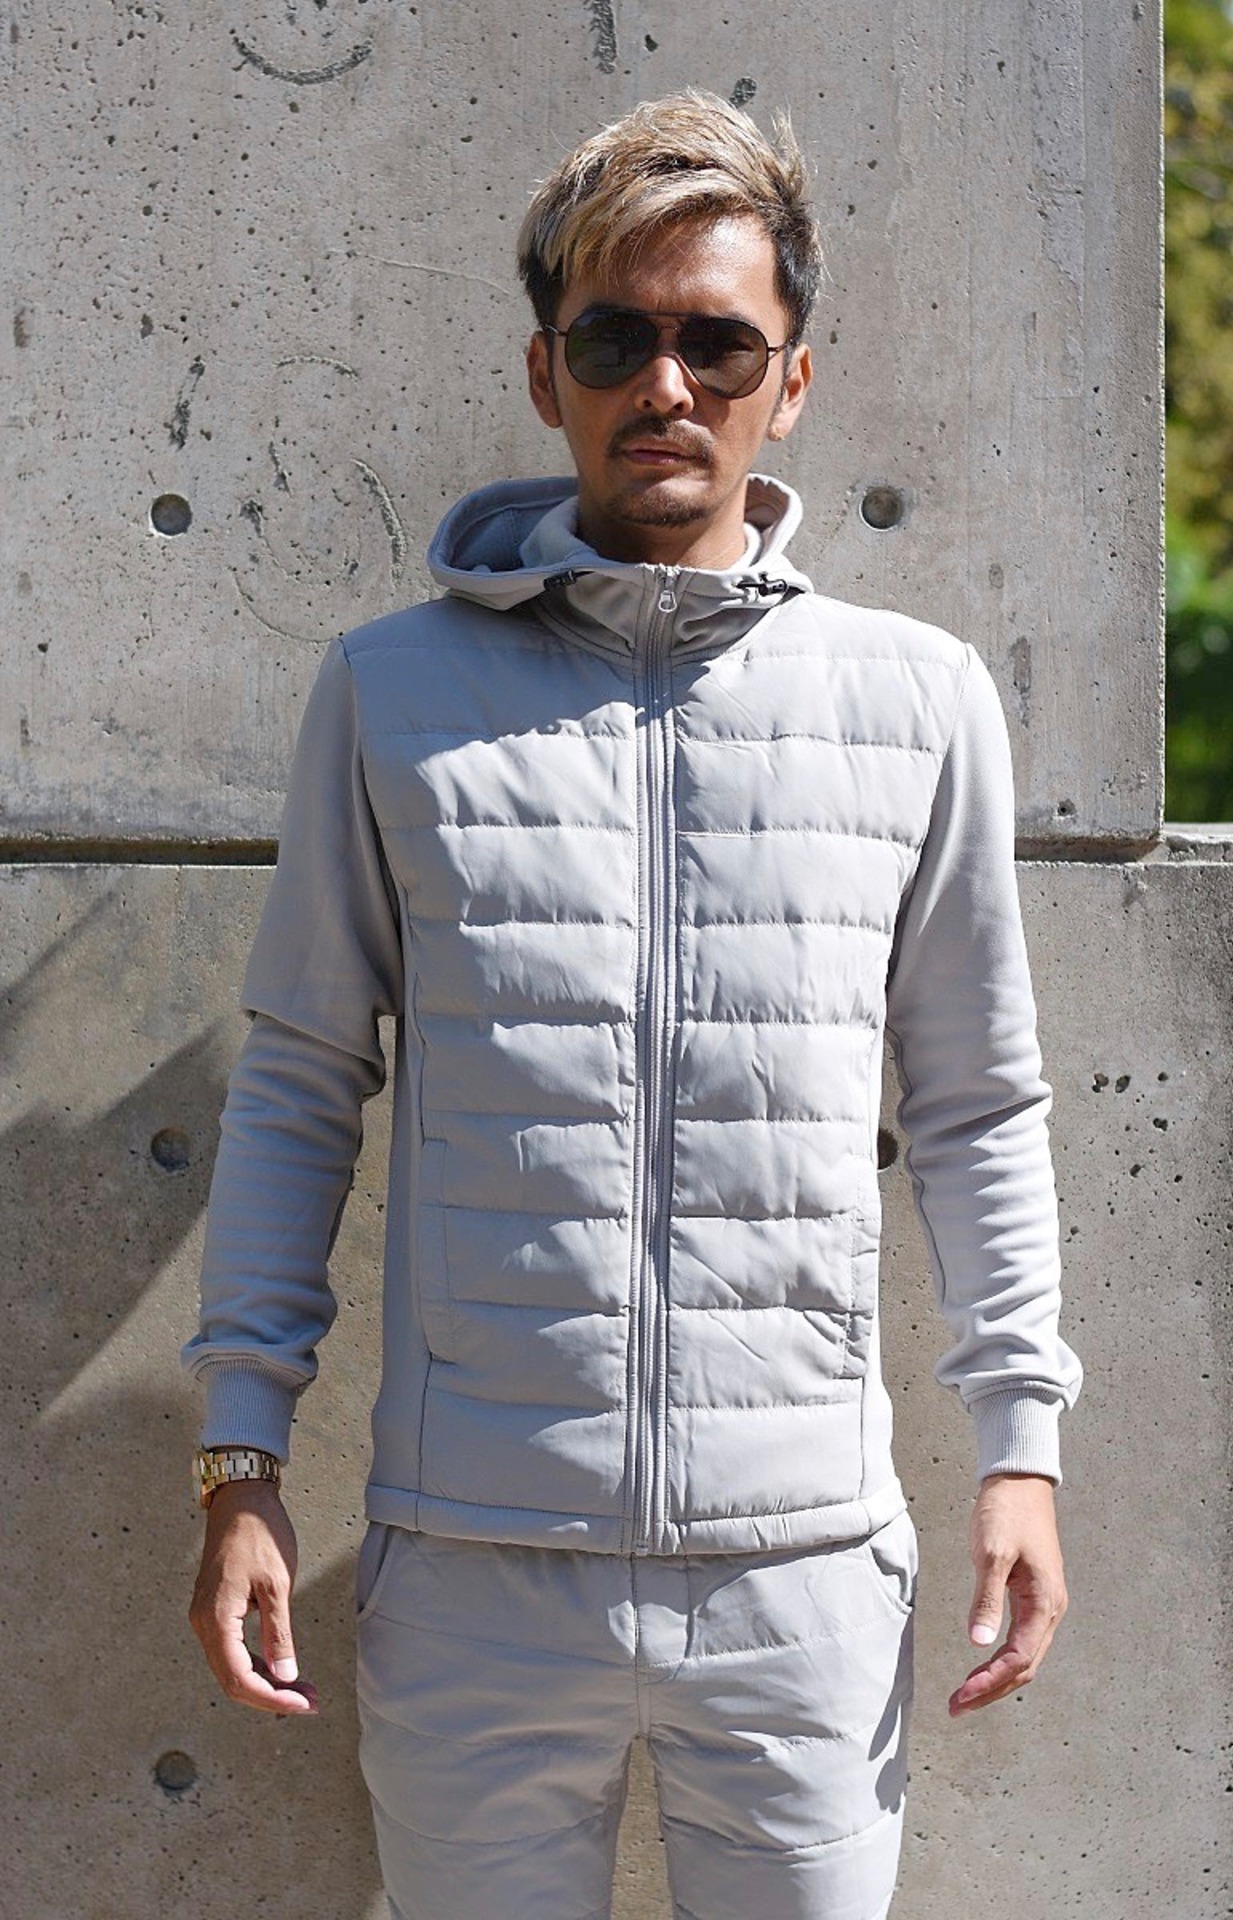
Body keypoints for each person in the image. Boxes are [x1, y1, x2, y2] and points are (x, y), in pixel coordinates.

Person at [185, 89, 1082, 1920]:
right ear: (548, 374)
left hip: (802, 1576)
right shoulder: (389, 694)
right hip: (474, 1568)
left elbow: (979, 1103)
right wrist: (239, 1454)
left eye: (717, 343)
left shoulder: (920, 703)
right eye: (614, 339)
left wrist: (1023, 1450)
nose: (665, 384)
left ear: (791, 380)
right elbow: (298, 1082)